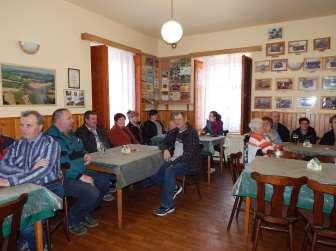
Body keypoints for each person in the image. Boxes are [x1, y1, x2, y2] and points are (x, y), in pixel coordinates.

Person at [0, 110, 63, 251]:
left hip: (48, 187)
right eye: (22, 125)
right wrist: (29, 171)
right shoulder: (17, 144)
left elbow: (43, 171)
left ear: (40, 127)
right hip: (22, 186)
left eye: (29, 125)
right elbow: (3, 167)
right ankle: (26, 242)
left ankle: (41, 245)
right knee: (9, 215)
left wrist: (11, 181)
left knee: (26, 223)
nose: (23, 128)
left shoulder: (50, 143)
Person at [45, 108, 113, 236]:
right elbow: (60, 163)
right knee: (92, 192)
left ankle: (84, 213)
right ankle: (72, 219)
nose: (73, 120)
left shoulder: (70, 134)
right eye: (69, 118)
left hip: (80, 170)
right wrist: (80, 176)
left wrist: (86, 155)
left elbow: (79, 149)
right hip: (62, 178)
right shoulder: (50, 138)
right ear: (58, 121)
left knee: (104, 183)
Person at [149, 112, 201, 216]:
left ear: (185, 120)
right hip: (175, 161)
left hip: (188, 163)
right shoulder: (174, 132)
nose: (177, 122)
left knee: (169, 170)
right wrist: (165, 150)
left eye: (180, 119)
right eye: (175, 120)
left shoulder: (191, 133)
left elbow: (188, 156)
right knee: (154, 176)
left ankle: (167, 206)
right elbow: (162, 143)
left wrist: (172, 162)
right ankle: (174, 187)